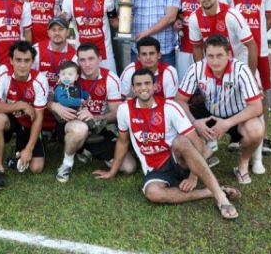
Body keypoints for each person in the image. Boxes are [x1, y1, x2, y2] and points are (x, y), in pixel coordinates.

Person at [95, 68, 240, 220]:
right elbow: (122, 142)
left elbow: (195, 142)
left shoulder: (170, 107)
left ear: (155, 86)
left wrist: (193, 177)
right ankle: (208, 192)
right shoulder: (124, 110)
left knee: (181, 141)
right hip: (155, 169)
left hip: (179, 161)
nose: (143, 88)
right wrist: (112, 171)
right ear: (133, 88)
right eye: (138, 84)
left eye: (147, 83)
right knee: (152, 193)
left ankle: (221, 198)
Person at [176, 34, 264, 186]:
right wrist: (195, 122)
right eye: (210, 56)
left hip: (238, 116)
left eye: (219, 55)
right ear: (205, 55)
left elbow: (257, 106)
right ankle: (204, 153)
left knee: (255, 130)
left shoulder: (241, 69)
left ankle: (242, 165)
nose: (215, 61)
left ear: (229, 55)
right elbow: (180, 100)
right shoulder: (196, 69)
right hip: (210, 113)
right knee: (185, 129)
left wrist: (227, 123)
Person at [221, 0, 271, 155]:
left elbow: (270, 17)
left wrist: (258, 33)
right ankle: (237, 135)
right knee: (235, 92)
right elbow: (224, 16)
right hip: (235, 51)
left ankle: (264, 137)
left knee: (261, 93)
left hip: (260, 51)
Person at [54, 43, 136, 183]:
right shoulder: (71, 73)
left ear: (100, 58)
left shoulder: (110, 78)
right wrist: (54, 105)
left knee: (129, 167)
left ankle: (85, 150)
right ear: (78, 61)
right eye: (82, 60)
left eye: (91, 59)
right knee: (81, 129)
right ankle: (66, 164)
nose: (87, 64)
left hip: (96, 128)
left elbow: (116, 113)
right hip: (71, 126)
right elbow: (51, 96)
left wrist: (96, 117)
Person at [0, 41, 49, 189]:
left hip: (28, 122)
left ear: (32, 62)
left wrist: (29, 148)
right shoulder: (2, 72)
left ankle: (19, 153)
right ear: (11, 60)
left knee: (36, 168)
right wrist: (21, 105)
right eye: (18, 60)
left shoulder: (40, 80)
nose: (22, 65)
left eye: (26, 60)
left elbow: (39, 117)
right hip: (10, 119)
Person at [188, 0, 257, 71]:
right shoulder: (194, 19)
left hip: (238, 69)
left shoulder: (232, 16)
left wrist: (251, 76)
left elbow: (251, 45)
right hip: (214, 69)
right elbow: (197, 48)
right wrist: (200, 74)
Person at [61, 0, 118, 73]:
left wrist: (127, 14)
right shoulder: (68, 0)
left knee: (109, 87)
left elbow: (114, 23)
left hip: (105, 55)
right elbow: (64, 25)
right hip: (82, 56)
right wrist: (62, 18)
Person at [33, 17, 77, 133]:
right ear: (48, 32)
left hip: (59, 96)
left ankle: (64, 132)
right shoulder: (36, 50)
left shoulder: (74, 55)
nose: (57, 33)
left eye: (61, 29)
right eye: (53, 29)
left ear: (67, 32)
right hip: (38, 95)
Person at [176, 0, 204, 80]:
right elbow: (174, 14)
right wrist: (175, 23)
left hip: (206, 49)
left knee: (206, 88)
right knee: (185, 87)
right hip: (184, 48)